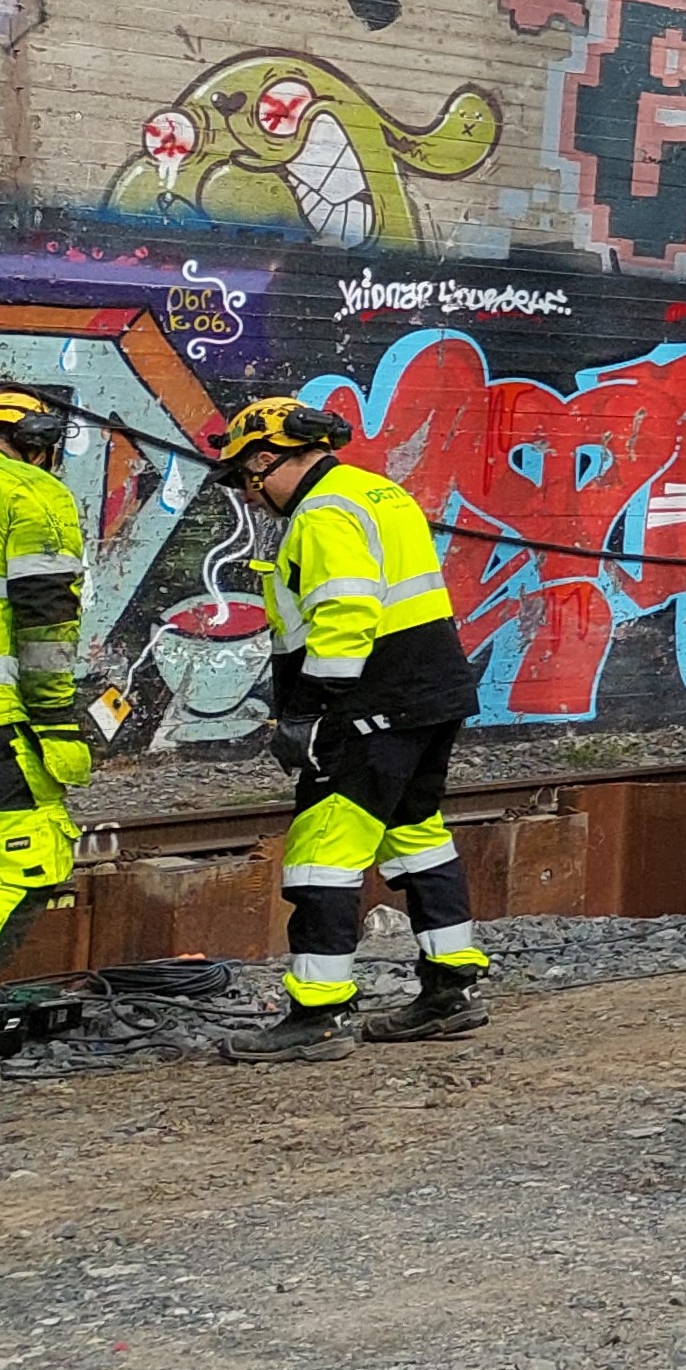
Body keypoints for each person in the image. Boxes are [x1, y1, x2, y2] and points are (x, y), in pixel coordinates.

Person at [202, 398, 487, 1060]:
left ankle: (318, 1013)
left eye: (248, 477)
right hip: (428, 693)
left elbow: (345, 614)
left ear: (267, 457)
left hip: (370, 703)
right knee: (415, 835)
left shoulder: (324, 512)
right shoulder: (378, 493)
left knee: (321, 852)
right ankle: (451, 988)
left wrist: (306, 711)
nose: (250, 494)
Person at [0, 383, 93, 1096]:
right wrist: (55, 719)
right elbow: (46, 625)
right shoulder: (31, 492)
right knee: (9, 870)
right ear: (38, 443)